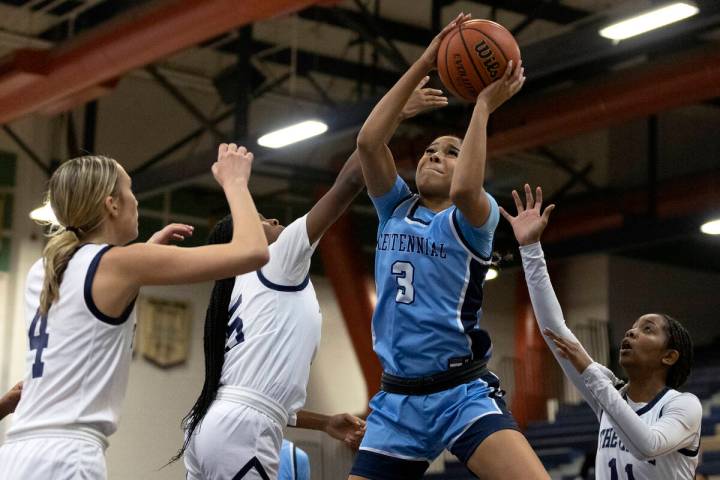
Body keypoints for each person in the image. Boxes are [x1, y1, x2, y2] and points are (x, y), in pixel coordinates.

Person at [177, 78, 447, 480]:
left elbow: (264, 394)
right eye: (262, 220)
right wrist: (397, 113)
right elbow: (351, 180)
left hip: (217, 425)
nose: (273, 220)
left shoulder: (239, 290)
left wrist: (323, 423)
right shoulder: (276, 260)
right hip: (241, 430)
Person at [348, 12, 549, 480]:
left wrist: (482, 106)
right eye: (429, 150)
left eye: (450, 152)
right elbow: (367, 143)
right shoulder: (395, 207)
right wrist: (424, 61)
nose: (434, 154)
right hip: (398, 399)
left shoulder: (474, 218)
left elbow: (464, 190)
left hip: (460, 392)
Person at [0, 143, 269, 479]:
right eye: (130, 190)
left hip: (15, 453)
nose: (137, 200)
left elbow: (89, 312)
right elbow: (253, 251)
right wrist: (236, 183)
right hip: (66, 458)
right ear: (111, 203)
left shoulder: (45, 268)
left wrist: (146, 256)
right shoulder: (121, 265)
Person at [502, 184, 702, 480]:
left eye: (647, 329)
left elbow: (647, 445)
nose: (631, 333)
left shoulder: (682, 405)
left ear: (669, 356)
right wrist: (531, 249)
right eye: (632, 327)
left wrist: (592, 373)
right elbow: (554, 331)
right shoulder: (610, 397)